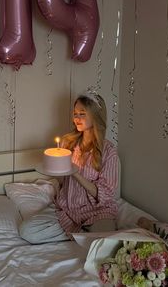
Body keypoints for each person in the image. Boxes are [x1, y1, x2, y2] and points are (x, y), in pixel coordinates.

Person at [19, 91, 119, 243]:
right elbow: (60, 176)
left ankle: (85, 234)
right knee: (27, 231)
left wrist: (75, 172)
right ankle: (79, 234)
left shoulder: (108, 151)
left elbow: (105, 195)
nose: (77, 118)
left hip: (97, 211)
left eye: (82, 114)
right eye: (75, 113)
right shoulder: (68, 143)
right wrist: (56, 166)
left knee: (104, 243)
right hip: (67, 209)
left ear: (96, 116)